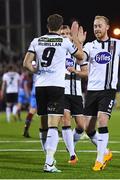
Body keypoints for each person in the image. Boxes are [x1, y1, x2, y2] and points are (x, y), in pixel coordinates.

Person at [23, 14, 85, 173]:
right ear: (60, 27)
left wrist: (35, 69)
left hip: (41, 85)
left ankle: (48, 158)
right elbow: (80, 56)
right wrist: (77, 40)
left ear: (47, 26)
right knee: (52, 126)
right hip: (56, 86)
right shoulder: (64, 41)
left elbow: (26, 63)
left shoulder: (36, 41)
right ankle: (49, 163)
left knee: (43, 125)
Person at [81, 15, 120, 171]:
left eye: (99, 25)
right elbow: (81, 57)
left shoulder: (117, 44)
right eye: (94, 26)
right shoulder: (89, 45)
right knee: (88, 128)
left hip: (108, 90)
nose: (96, 29)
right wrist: (78, 43)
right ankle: (106, 152)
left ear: (107, 27)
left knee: (102, 120)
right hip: (92, 91)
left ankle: (99, 160)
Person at [60, 25, 88, 164]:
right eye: (62, 33)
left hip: (76, 93)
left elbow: (86, 72)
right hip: (62, 92)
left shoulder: (78, 53)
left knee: (81, 126)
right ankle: (72, 154)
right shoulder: (57, 51)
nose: (65, 35)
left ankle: (71, 144)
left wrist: (75, 72)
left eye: (67, 33)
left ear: (72, 36)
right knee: (66, 120)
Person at [23, 73, 37, 138]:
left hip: (34, 90)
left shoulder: (35, 69)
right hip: (42, 90)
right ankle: (53, 130)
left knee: (32, 110)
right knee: (48, 111)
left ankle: (26, 128)